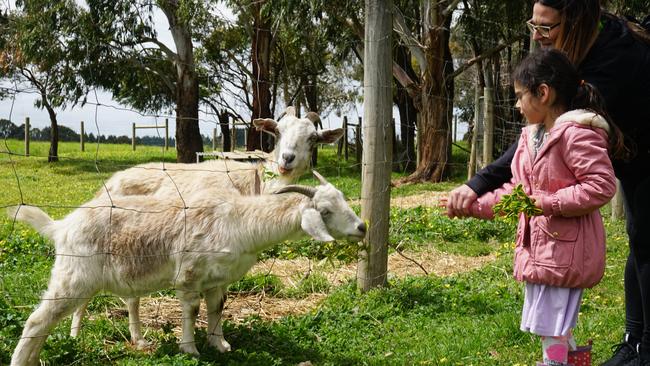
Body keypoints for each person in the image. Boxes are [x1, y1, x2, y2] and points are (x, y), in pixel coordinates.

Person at [446, 1, 650, 364]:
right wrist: (479, 194)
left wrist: (486, 184)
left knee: (648, 240)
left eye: (546, 28)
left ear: (575, 21)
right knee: (641, 239)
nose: (537, 37)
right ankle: (635, 343)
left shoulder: (614, 61)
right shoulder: (578, 49)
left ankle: (645, 350)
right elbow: (527, 168)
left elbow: (549, 142)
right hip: (634, 157)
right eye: (534, 26)